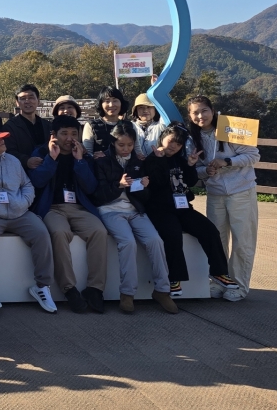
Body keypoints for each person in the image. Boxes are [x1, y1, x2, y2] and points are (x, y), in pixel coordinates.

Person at [142, 124, 242, 301]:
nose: (174, 146)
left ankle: (219, 272)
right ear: (162, 139)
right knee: (172, 235)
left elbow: (190, 182)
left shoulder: (180, 160)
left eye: (178, 144)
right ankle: (174, 279)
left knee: (209, 230)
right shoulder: (150, 159)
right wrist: (158, 160)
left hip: (182, 207)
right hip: (160, 209)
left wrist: (190, 165)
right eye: (171, 141)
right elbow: (156, 182)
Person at [90, 122, 178, 314]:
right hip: (110, 210)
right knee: (128, 243)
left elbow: (144, 197)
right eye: (121, 145)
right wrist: (119, 186)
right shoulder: (102, 161)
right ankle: (127, 294)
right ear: (113, 143)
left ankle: (162, 290)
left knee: (155, 240)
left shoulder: (138, 161)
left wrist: (144, 187)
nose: (126, 149)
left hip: (135, 210)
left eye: (129, 145)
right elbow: (98, 195)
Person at [0, 125, 57, 313]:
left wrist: (22, 202)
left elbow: (27, 185)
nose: (2, 141)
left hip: (20, 212)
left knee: (41, 233)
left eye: (3, 138)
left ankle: (42, 286)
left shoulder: (13, 160)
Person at [28, 115, 108, 314]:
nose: (69, 138)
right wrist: (51, 159)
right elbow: (37, 182)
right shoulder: (41, 152)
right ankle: (69, 289)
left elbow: (90, 187)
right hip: (52, 208)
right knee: (59, 233)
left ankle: (95, 289)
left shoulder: (83, 155)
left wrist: (80, 161)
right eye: (64, 133)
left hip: (79, 208)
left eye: (74, 133)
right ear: (54, 135)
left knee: (99, 231)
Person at [189, 95, 260, 297]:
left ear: (212, 111)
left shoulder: (231, 128)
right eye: (195, 112)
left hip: (241, 191)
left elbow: (253, 155)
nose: (200, 116)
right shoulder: (191, 138)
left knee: (242, 241)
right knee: (217, 240)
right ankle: (220, 281)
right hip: (215, 193)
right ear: (190, 115)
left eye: (204, 110)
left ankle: (239, 286)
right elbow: (194, 169)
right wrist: (205, 171)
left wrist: (227, 161)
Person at [5, 84, 51, 170]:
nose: (27, 101)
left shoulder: (48, 126)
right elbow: (7, 152)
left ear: (38, 101)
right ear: (17, 103)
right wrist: (26, 161)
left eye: (31, 97)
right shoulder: (10, 127)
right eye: (22, 98)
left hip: (47, 171)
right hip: (21, 172)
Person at [82, 86, 128, 160]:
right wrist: (94, 156)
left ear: (121, 103)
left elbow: (138, 152)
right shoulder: (90, 126)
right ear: (100, 104)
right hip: (99, 167)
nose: (111, 105)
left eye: (115, 100)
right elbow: (87, 154)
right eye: (107, 101)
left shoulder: (130, 125)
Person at [131, 94, 164, 160]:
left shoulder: (161, 125)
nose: (145, 110)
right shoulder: (130, 126)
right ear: (136, 111)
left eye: (149, 107)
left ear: (155, 109)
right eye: (141, 107)